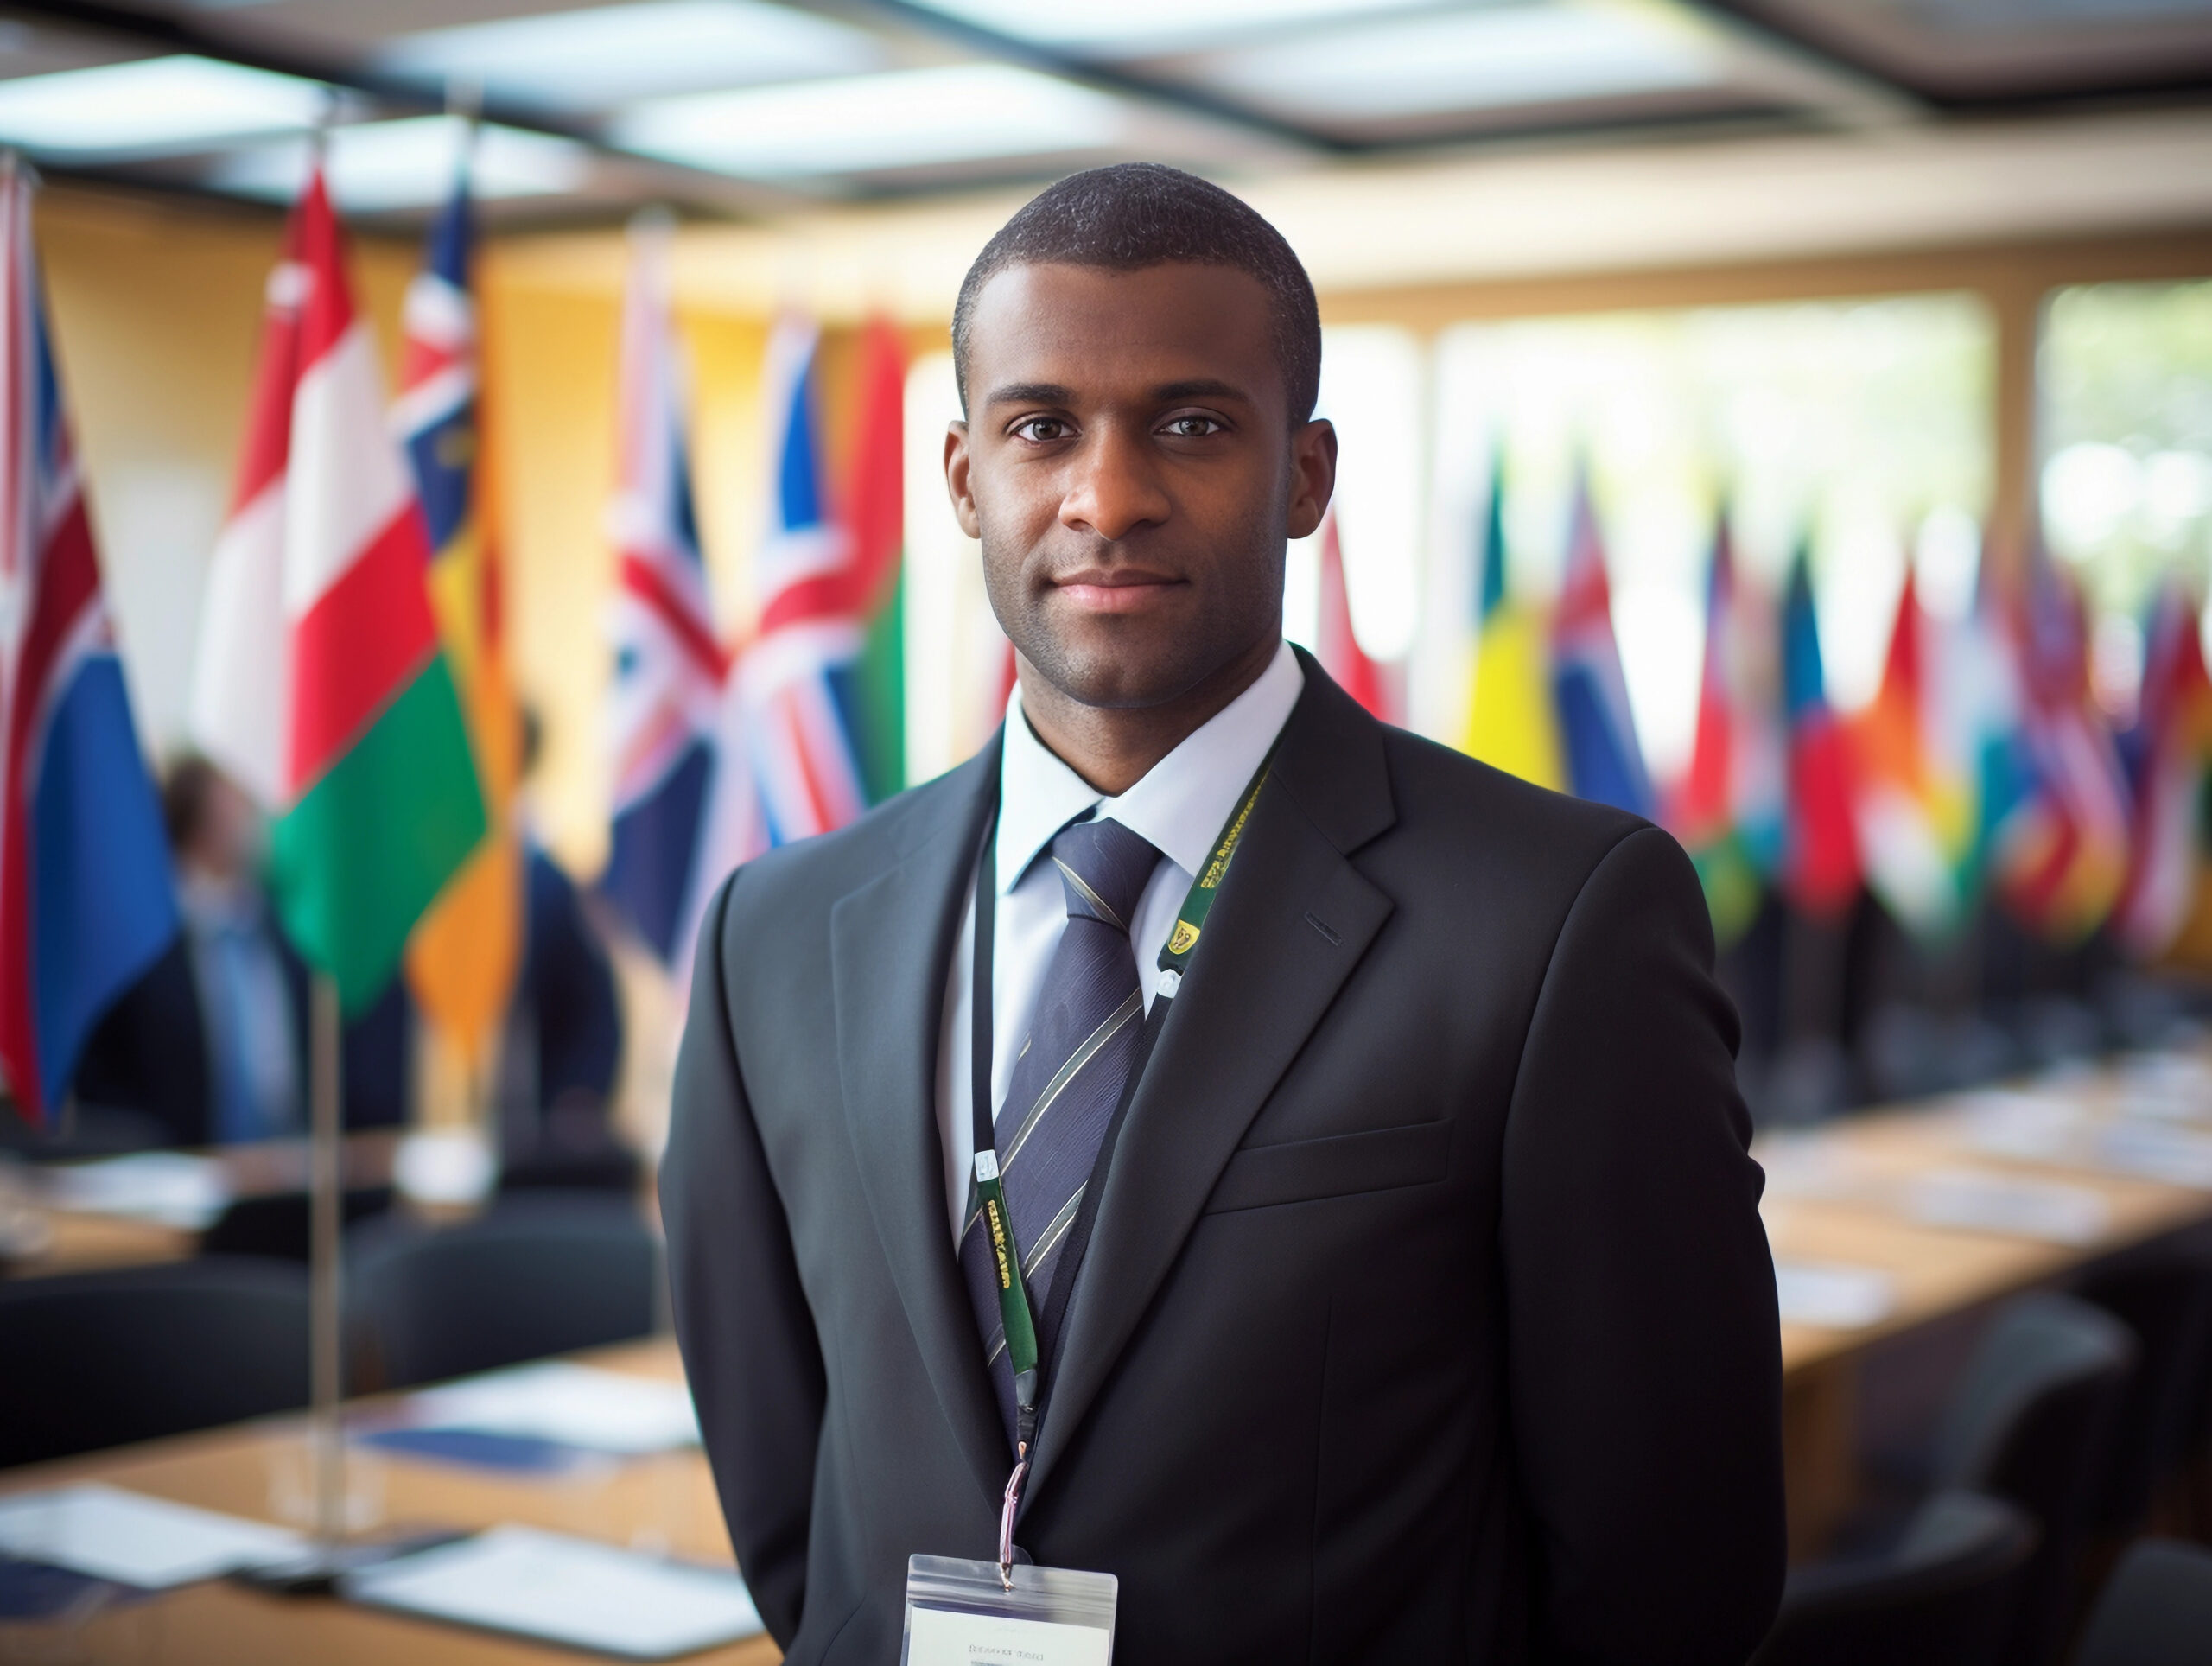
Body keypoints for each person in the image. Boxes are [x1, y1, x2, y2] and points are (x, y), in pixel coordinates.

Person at [663, 164, 1785, 1664]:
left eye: (1191, 424)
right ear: (961, 477)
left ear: (1305, 476)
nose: (1107, 494)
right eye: (1040, 425)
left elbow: (1672, 1565)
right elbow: (792, 1507)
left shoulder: (1558, 920)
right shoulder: (774, 937)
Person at [73, 754, 411, 1145]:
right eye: (237, 792)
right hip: (181, 1175)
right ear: (199, 811)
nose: (258, 806)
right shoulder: (140, 941)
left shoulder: (288, 927)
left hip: (292, 1175)